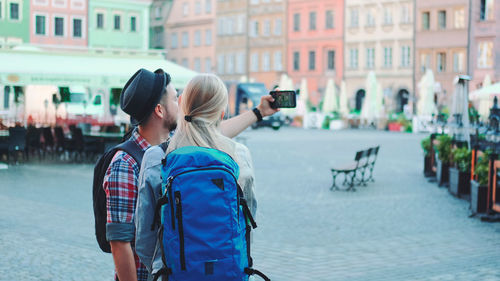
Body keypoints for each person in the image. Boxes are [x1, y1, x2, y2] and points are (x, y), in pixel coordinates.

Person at [103, 69, 277, 281]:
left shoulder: (157, 157)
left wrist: (164, 267)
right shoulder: (239, 154)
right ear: (221, 114)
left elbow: (145, 240)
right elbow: (247, 221)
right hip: (228, 273)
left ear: (184, 108)